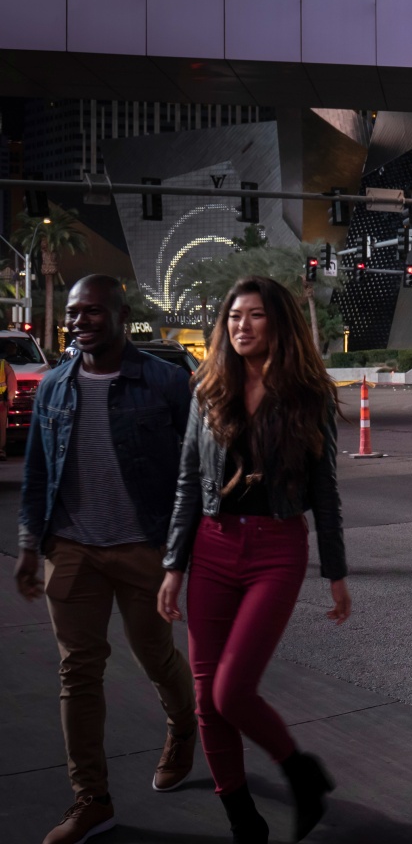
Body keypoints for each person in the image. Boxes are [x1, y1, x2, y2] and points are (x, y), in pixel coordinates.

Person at [157, 275, 351, 844]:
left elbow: (326, 491)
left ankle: (299, 770)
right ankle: (243, 819)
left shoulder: (307, 396)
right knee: (206, 698)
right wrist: (174, 566)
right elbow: (189, 483)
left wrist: (335, 572)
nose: (242, 325)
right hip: (212, 548)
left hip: (276, 548)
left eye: (256, 315)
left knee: (231, 690)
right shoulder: (207, 388)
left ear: (279, 323)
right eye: (234, 316)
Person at [14, 275, 196, 844]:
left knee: (154, 655)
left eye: (92, 312)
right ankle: (91, 799)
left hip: (143, 545)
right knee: (78, 671)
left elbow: (194, 471)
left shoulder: (167, 381)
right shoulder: (53, 386)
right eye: (73, 313)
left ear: (120, 314)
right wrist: (28, 545)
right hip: (70, 547)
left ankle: (183, 725)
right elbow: (38, 471)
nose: (78, 321)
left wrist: (183, 552)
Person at [0, 341, 16, 458]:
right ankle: (1, 450)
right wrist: (10, 398)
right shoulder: (3, 364)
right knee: (1, 427)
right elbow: (12, 384)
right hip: (1, 402)